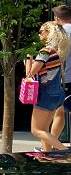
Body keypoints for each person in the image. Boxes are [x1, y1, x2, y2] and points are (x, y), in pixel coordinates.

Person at [26, 21, 70, 151]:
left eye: (41, 31)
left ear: (49, 33)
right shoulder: (56, 52)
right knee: (45, 130)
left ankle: (65, 152)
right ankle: (47, 156)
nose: (39, 34)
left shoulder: (45, 52)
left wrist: (28, 60)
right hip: (56, 94)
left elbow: (30, 74)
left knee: (36, 130)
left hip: (45, 95)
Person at [51, 5, 71, 142]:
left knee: (59, 112)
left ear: (57, 18)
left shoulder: (60, 33)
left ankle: (51, 145)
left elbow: (53, 56)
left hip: (65, 78)